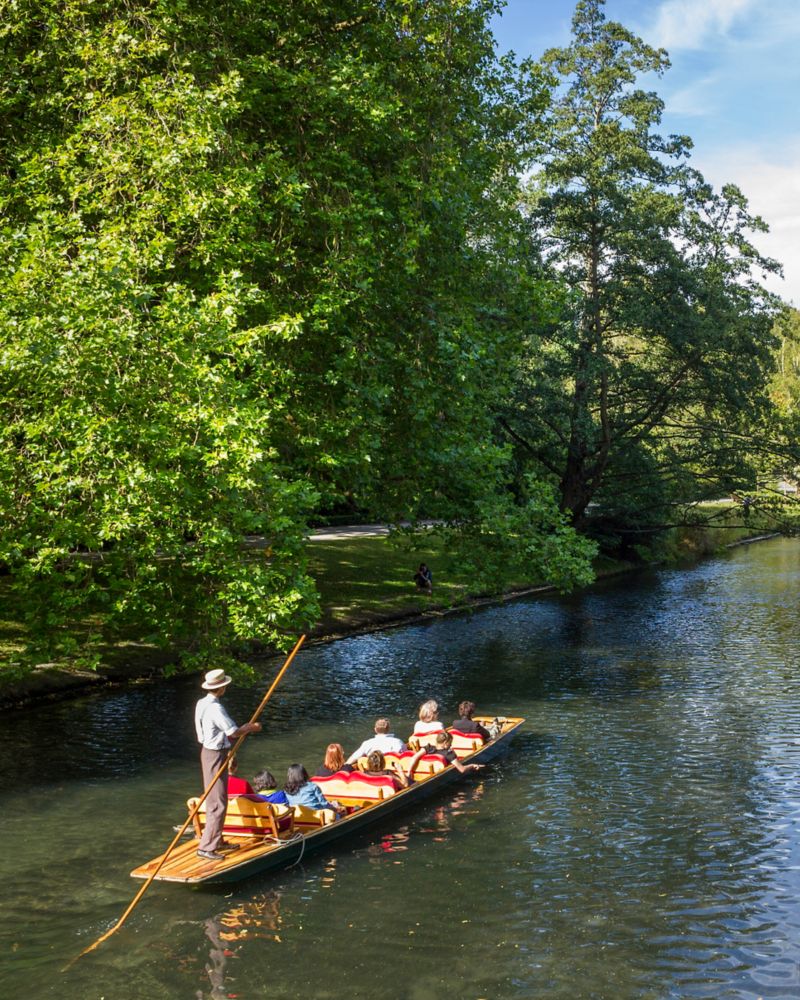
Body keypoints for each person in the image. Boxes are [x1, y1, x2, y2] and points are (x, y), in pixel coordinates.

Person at [194, 668, 262, 861]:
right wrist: (251, 727)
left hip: (209, 752)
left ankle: (217, 839)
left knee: (217, 798)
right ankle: (206, 848)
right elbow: (233, 731)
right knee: (217, 802)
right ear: (222, 687)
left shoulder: (201, 703)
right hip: (215, 755)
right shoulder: (216, 708)